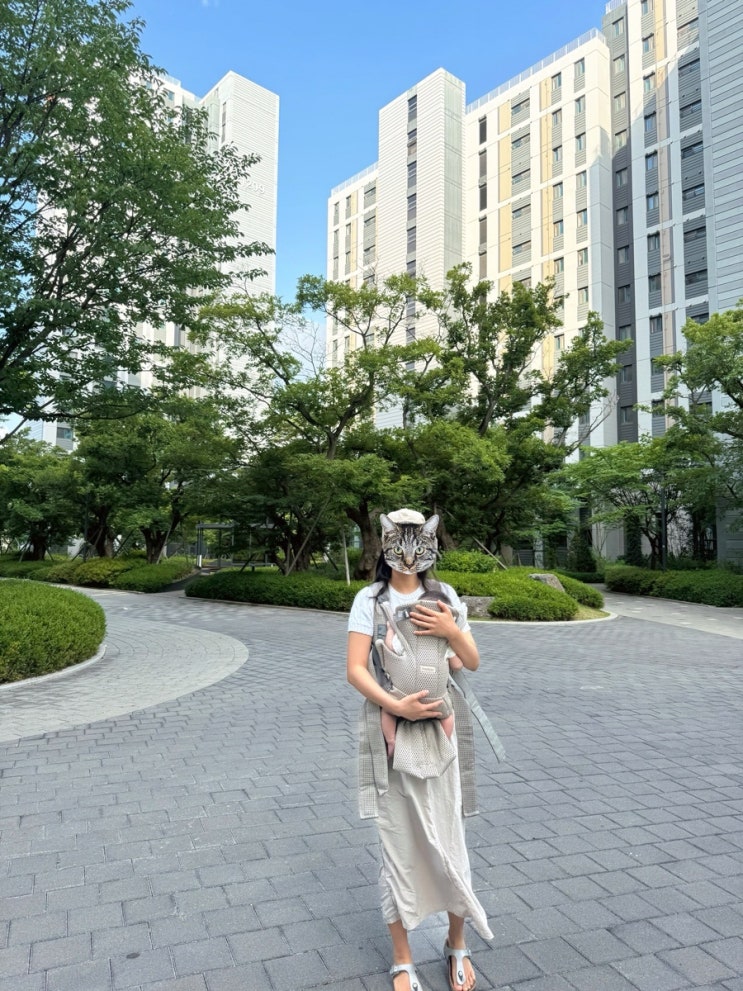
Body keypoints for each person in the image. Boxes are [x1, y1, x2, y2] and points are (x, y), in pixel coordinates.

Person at [347, 509, 493, 991]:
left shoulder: (445, 595)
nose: (409, 559)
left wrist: (452, 632)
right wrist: (396, 707)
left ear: (431, 547)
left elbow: (469, 662)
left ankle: (457, 943)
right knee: (397, 842)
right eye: (398, 548)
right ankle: (402, 957)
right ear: (385, 545)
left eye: (419, 549)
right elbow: (356, 669)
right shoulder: (370, 599)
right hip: (390, 731)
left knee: (450, 838)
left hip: (441, 734)